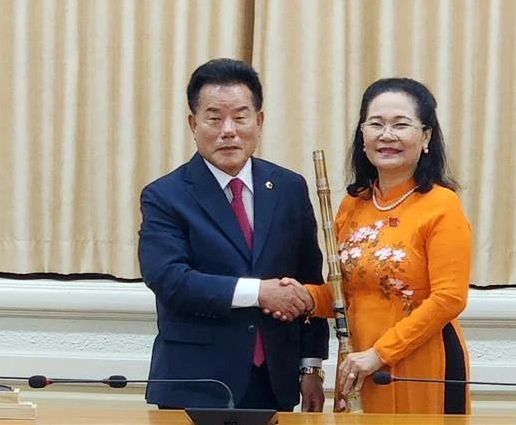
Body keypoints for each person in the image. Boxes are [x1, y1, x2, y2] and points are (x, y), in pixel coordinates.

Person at [138, 58, 329, 411]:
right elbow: (170, 280)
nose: (228, 130)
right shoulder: (165, 196)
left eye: (240, 117)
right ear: (193, 124)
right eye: (214, 118)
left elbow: (309, 281)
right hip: (196, 383)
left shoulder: (289, 188)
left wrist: (311, 365)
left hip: (275, 380)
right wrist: (260, 293)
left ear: (259, 121)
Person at [298, 78, 472, 414]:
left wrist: (380, 354)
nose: (386, 135)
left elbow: (449, 298)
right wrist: (300, 297)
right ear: (362, 136)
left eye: (400, 125)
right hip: (357, 359)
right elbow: (344, 292)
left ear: (426, 137)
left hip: (420, 361)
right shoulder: (353, 205)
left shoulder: (441, 205)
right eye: (375, 124)